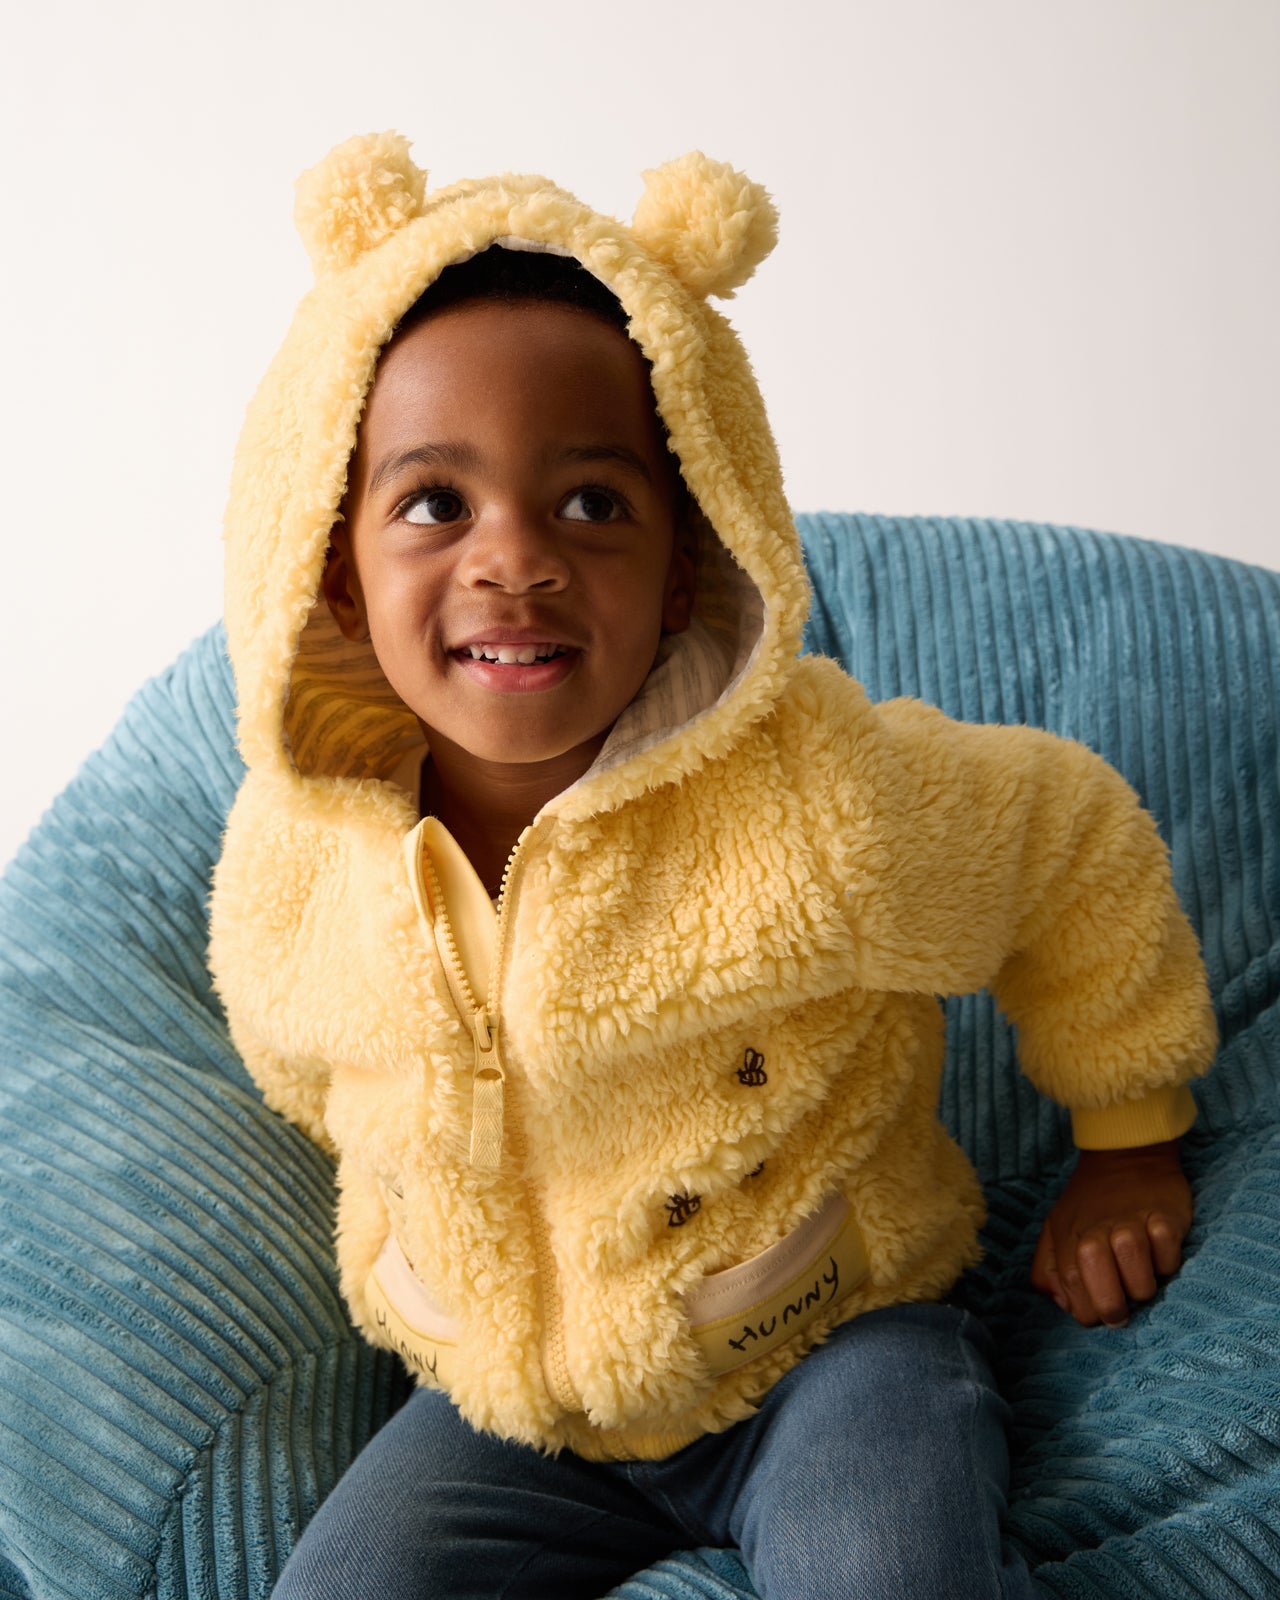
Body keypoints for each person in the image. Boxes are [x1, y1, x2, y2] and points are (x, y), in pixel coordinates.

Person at [208, 133, 1217, 1599]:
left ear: (689, 560)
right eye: (434, 503)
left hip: (826, 1341)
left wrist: (1129, 1133)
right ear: (331, 570)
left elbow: (1060, 836)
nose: (515, 559)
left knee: (884, 1569)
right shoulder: (292, 860)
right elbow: (312, 1077)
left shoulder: (818, 803)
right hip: (513, 1404)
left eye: (593, 503)